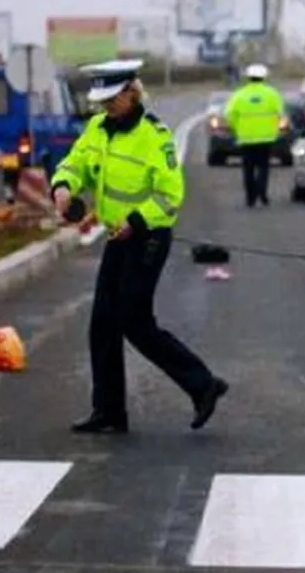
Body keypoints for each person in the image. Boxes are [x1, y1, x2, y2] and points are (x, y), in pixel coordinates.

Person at [51, 59, 229, 434]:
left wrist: (135, 222)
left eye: (113, 98)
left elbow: (170, 196)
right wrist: (63, 188)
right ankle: (109, 411)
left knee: (134, 322)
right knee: (102, 324)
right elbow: (75, 163)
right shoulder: (98, 129)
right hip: (118, 237)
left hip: (147, 238)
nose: (106, 106)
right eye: (102, 99)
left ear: (133, 93)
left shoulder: (156, 136)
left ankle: (203, 384)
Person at [223, 63, 284, 207]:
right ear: (264, 77)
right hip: (266, 138)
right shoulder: (272, 94)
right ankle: (262, 193)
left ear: (248, 77)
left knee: (248, 168)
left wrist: (236, 128)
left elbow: (229, 114)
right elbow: (281, 113)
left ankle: (250, 197)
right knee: (263, 167)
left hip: (246, 138)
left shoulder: (239, 94)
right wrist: (274, 127)